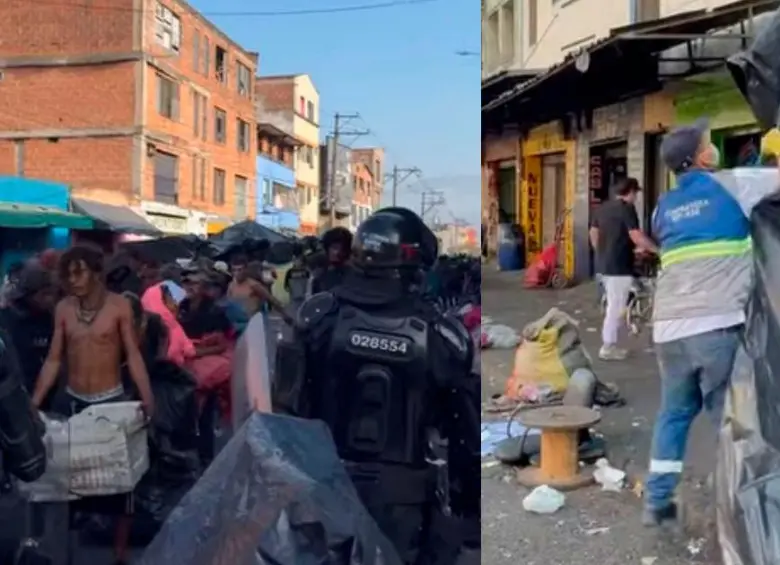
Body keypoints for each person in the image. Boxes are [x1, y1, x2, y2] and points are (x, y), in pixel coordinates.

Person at [275, 208, 480, 564]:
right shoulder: (442, 336)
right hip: (402, 495)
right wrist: (468, 506)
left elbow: (286, 407)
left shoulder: (318, 316)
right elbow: (463, 430)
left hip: (323, 483)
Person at [643, 119, 779, 527]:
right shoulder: (733, 184)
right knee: (729, 419)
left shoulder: (661, 208)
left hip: (668, 329)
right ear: (703, 156)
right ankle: (736, 511)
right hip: (716, 326)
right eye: (708, 144)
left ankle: (658, 503)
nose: (714, 148)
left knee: (674, 414)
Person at [31, 245, 155, 565]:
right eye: (68, 273)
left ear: (97, 273)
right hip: (72, 401)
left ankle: (119, 554)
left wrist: (147, 397)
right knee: (68, 480)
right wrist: (34, 403)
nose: (73, 279)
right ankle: (63, 549)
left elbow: (134, 355)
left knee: (120, 484)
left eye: (79, 271)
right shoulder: (63, 309)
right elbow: (54, 359)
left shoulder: (119, 308)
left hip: (111, 401)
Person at [589, 177, 658, 361]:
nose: (636, 197)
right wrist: (657, 250)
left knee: (617, 302)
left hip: (603, 266)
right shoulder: (626, 209)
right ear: (631, 192)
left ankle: (632, 324)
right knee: (616, 307)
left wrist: (602, 251)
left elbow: (593, 233)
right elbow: (635, 235)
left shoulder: (602, 208)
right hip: (619, 267)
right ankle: (608, 346)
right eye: (636, 193)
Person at [0, 265, 58, 410]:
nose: (50, 299)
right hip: (10, 396)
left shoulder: (50, 320)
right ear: (28, 295)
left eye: (51, 294)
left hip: (44, 396)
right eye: (44, 294)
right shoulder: (6, 320)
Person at [228, 254, 292, 324]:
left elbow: (271, 300)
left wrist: (285, 315)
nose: (237, 273)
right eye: (234, 270)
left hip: (253, 323)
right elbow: (228, 304)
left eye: (240, 270)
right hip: (237, 323)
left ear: (246, 270)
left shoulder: (253, 285)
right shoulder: (231, 286)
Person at [310, 226, 352, 294]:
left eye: (342, 248)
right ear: (327, 248)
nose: (337, 252)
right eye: (334, 248)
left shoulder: (355, 273)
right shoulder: (319, 274)